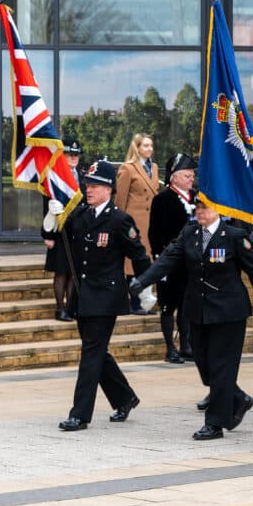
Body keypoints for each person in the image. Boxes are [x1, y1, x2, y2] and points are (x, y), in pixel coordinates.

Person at [130, 197, 253, 439]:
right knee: (204, 365)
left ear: (217, 210)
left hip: (229, 312)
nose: (199, 211)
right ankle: (238, 397)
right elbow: (167, 259)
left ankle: (215, 423)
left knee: (221, 367)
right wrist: (143, 280)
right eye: (197, 207)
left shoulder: (234, 236)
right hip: (198, 310)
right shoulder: (189, 233)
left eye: (204, 207)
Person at [46, 161, 152, 431]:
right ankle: (125, 397)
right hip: (82, 296)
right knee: (97, 352)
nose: (88, 189)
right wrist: (51, 216)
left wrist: (146, 286)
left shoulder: (119, 220)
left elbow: (139, 255)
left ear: (109, 189)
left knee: (90, 354)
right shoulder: (82, 215)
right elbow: (58, 238)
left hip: (106, 297)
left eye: (94, 185)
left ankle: (80, 414)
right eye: (87, 184)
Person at [148, 153, 197, 365]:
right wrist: (161, 259)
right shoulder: (162, 200)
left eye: (192, 175)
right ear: (174, 177)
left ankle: (186, 345)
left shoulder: (197, 199)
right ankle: (170, 347)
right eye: (187, 175)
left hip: (191, 262)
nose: (191, 179)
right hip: (170, 262)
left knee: (187, 305)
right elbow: (154, 233)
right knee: (168, 305)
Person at [40, 140, 86, 322]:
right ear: (62, 156)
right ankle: (60, 309)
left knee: (73, 272)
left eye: (76, 155)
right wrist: (48, 235)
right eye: (69, 155)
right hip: (59, 230)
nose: (74, 158)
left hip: (78, 231)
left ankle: (70, 307)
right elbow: (47, 206)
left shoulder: (82, 175)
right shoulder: (54, 175)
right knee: (61, 271)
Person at [116, 132, 159, 315]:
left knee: (147, 262)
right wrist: (120, 224)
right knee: (132, 263)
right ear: (137, 147)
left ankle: (144, 302)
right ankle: (134, 302)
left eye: (150, 145)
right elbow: (120, 199)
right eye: (145, 145)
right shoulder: (128, 168)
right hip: (133, 222)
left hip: (151, 223)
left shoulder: (155, 167)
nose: (149, 148)